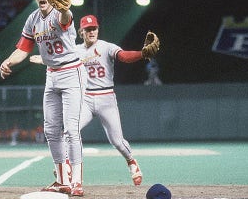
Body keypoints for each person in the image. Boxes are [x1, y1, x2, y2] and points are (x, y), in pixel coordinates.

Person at [30, 14, 159, 186]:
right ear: (81, 32)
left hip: (106, 99)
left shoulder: (106, 47)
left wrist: (141, 54)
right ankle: (67, 165)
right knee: (70, 131)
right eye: (87, 29)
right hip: (86, 99)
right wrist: (44, 60)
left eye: (94, 28)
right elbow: (57, 60)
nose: (91, 32)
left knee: (117, 141)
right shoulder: (74, 50)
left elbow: (124, 56)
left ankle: (131, 161)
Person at [0, 0, 87, 196]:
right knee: (50, 129)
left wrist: (66, 7)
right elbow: (23, 48)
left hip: (71, 72)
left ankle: (77, 181)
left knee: (71, 129)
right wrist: (8, 61)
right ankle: (62, 180)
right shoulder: (32, 19)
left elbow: (66, 17)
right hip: (52, 75)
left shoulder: (61, 13)